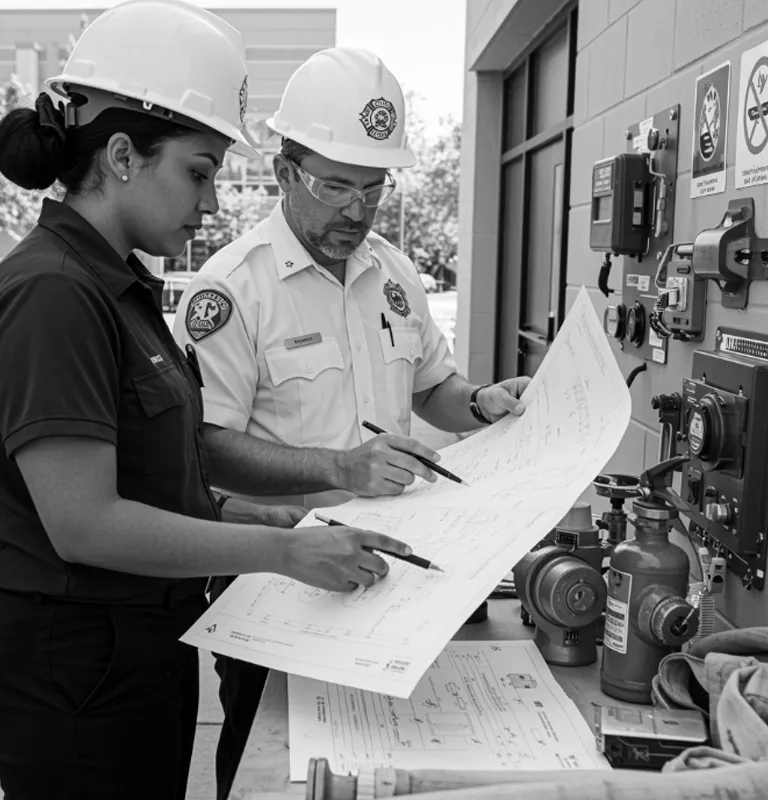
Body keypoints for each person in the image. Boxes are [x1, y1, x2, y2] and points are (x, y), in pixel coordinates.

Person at [0, 7, 411, 799]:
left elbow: (147, 461)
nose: (212, 203)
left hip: (134, 651)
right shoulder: (53, 293)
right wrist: (284, 554)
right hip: (75, 675)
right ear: (120, 156)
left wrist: (230, 513)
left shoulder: (116, 287)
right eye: (199, 171)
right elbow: (84, 523)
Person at [172, 46, 532, 799]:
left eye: (373, 188)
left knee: (374, 762)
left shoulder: (393, 274)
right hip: (277, 584)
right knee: (268, 765)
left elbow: (435, 386)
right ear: (283, 173)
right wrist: (340, 469)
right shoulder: (232, 291)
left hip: (391, 579)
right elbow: (204, 452)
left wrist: (479, 403)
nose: (357, 210)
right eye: (335, 185)